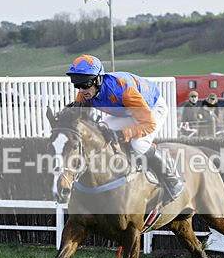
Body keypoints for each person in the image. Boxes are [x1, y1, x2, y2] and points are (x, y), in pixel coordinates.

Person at [66, 54, 185, 204]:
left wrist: (123, 134)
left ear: (98, 80)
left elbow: (149, 124)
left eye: (85, 84)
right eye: (77, 85)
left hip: (152, 110)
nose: (81, 90)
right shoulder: (85, 93)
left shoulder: (124, 91)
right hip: (127, 111)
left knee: (139, 144)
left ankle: (172, 179)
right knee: (101, 129)